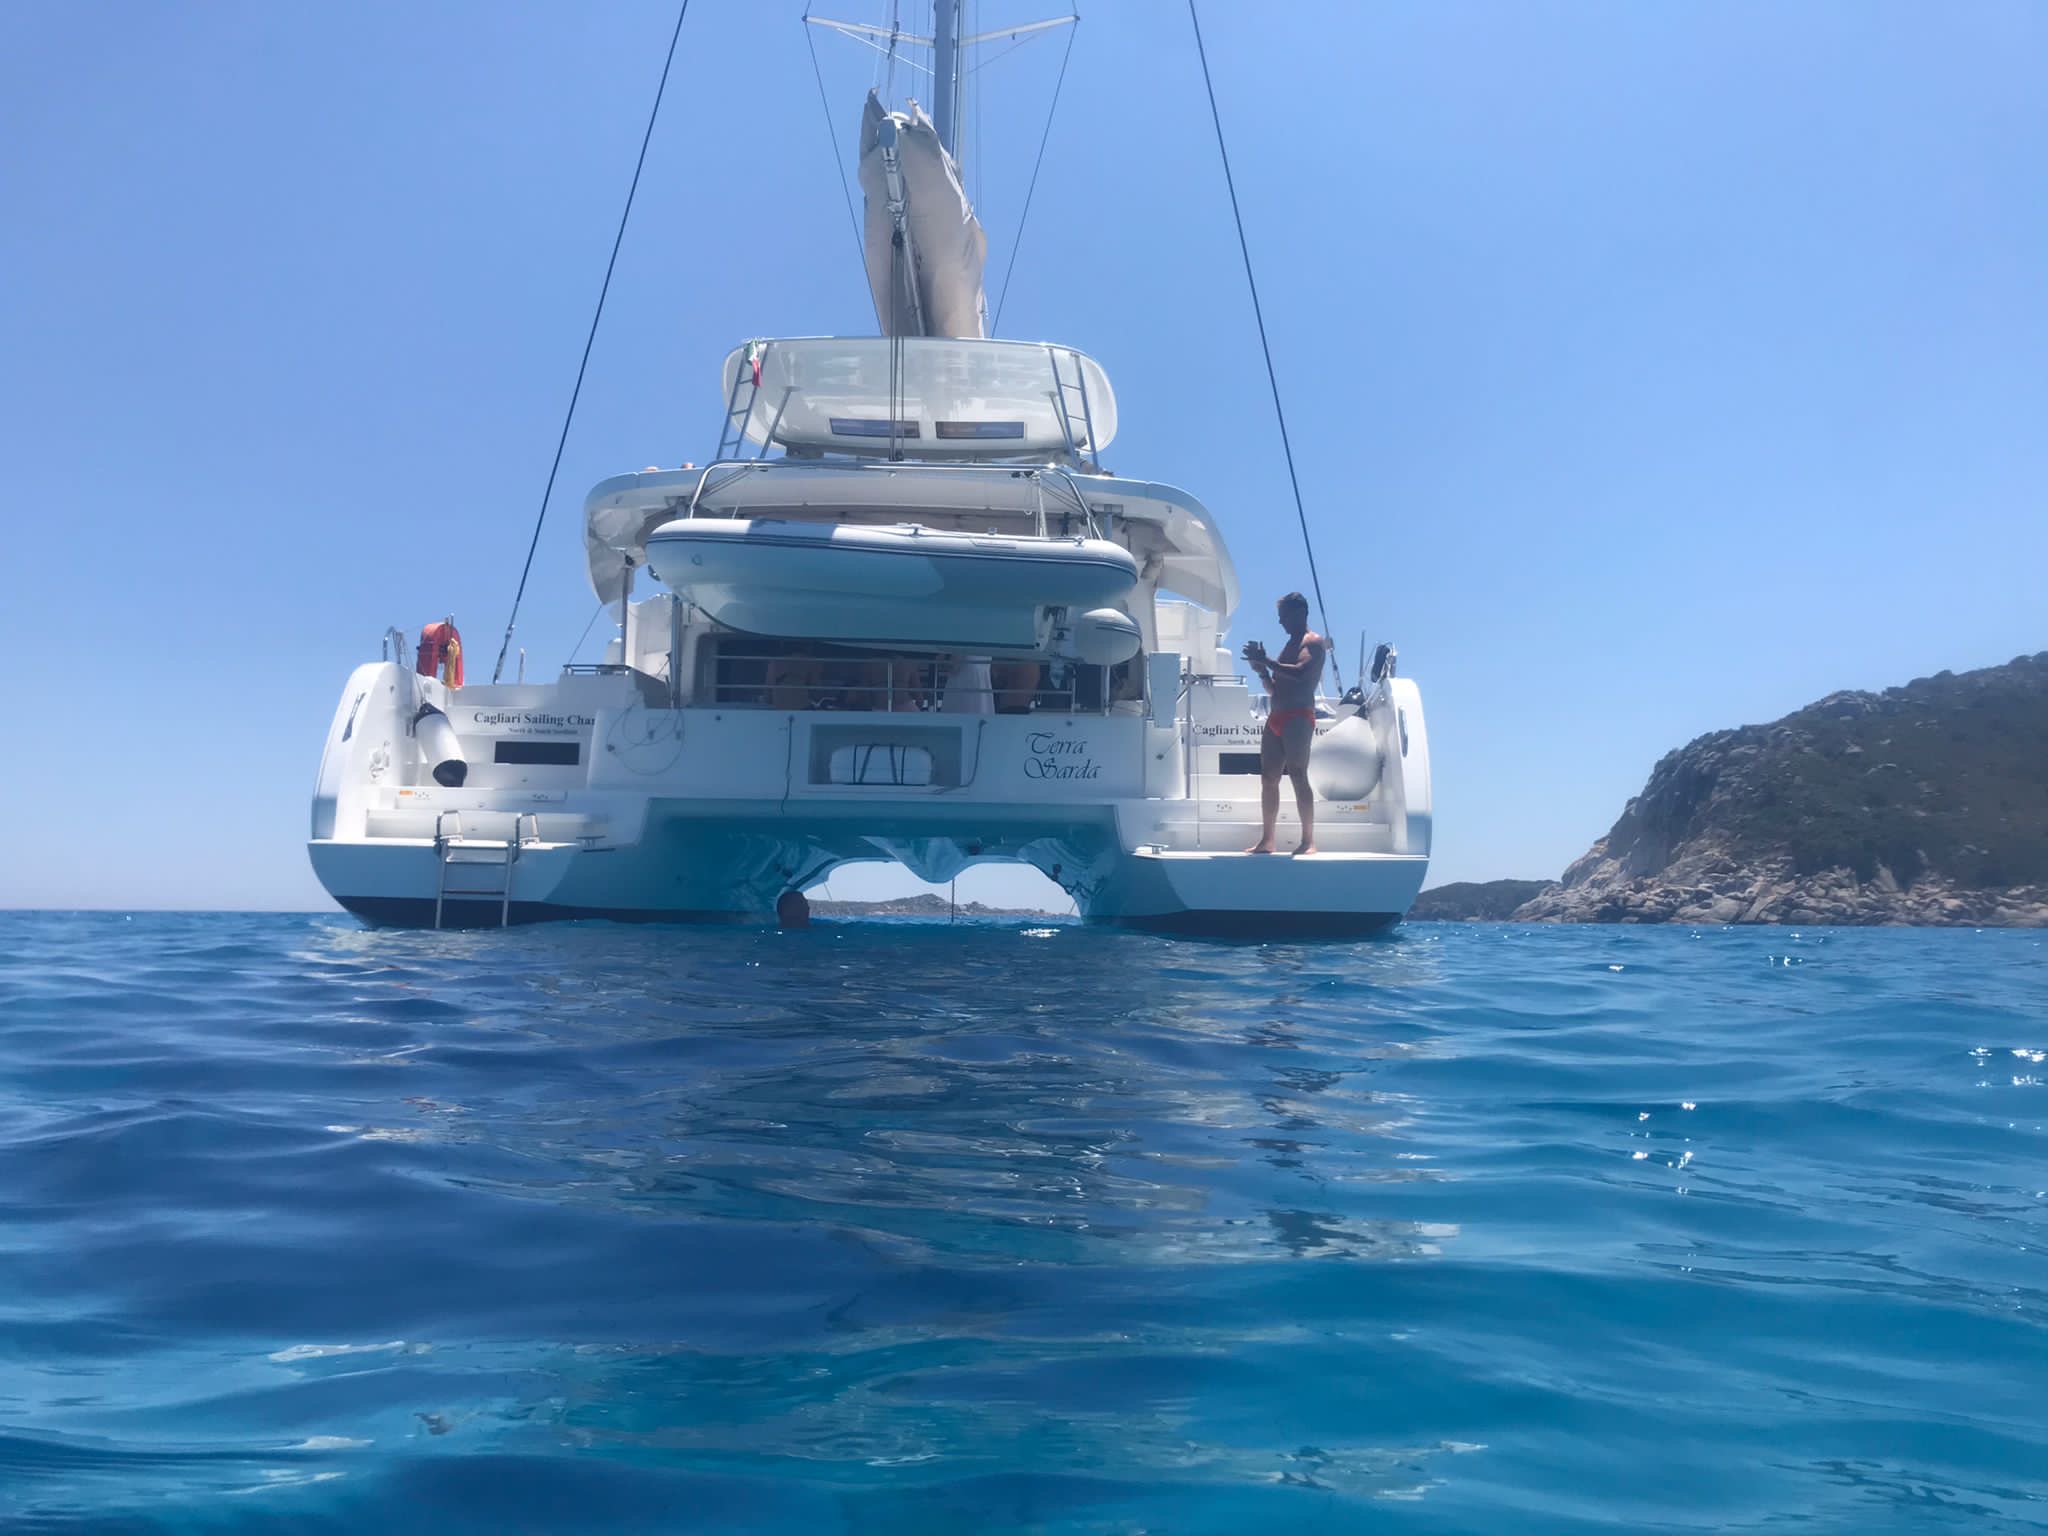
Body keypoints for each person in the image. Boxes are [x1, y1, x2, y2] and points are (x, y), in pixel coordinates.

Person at [1242, 592, 1326, 855]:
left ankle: (1308, 841)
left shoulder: (1313, 642)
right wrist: (1262, 671)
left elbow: (1301, 674)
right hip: (1276, 716)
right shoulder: (1289, 645)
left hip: (1298, 717)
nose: (1280, 622)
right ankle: (1267, 840)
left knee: (1298, 774)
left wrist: (1267, 660)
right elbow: (1274, 689)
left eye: (1284, 616)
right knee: (1268, 777)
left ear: (1299, 613)